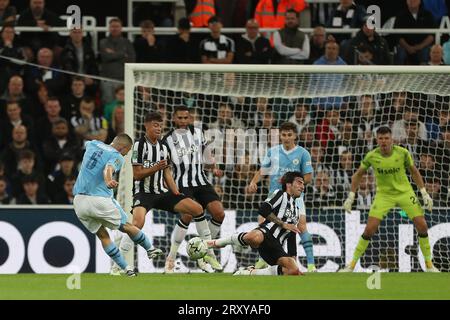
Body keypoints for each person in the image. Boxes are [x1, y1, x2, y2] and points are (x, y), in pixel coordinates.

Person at [116, 112, 218, 274]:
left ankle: (209, 254)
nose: (159, 128)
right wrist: (156, 167)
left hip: (162, 193)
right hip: (144, 193)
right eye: (155, 125)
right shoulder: (139, 145)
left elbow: (167, 173)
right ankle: (118, 265)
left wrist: (176, 192)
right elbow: (137, 174)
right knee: (137, 224)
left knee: (197, 209)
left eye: (160, 125)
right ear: (146, 126)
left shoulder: (163, 147)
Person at [342, 126, 439, 272]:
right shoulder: (372, 156)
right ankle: (351, 265)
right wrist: (351, 196)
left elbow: (414, 171)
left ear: (391, 139)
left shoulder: (402, 153)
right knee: (369, 229)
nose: (384, 141)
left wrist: (424, 193)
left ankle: (429, 265)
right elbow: (357, 175)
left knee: (422, 225)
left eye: (386, 138)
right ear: (377, 140)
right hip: (384, 195)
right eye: (380, 138)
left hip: (405, 193)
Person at [73, 133, 163, 277]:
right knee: (127, 226)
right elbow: (108, 168)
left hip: (79, 201)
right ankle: (150, 249)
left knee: (103, 235)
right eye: (127, 152)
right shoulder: (117, 156)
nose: (126, 155)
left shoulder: (93, 144)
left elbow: (86, 144)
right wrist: (109, 180)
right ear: (123, 148)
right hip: (99, 200)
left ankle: (126, 268)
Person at [162, 105, 225, 273]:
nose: (183, 121)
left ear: (190, 118)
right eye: (180, 118)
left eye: (186, 118)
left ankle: (202, 252)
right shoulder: (167, 140)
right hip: (181, 182)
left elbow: (206, 156)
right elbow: (164, 167)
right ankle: (171, 258)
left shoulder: (198, 133)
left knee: (219, 213)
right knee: (188, 214)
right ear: (174, 119)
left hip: (201, 180)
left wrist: (214, 167)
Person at [206, 171, 304, 276]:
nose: (302, 187)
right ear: (289, 184)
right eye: (299, 183)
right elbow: (263, 209)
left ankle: (250, 272)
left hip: (277, 248)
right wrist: (283, 224)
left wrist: (294, 262)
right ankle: (217, 243)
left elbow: (292, 237)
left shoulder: (297, 211)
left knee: (292, 271)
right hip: (266, 234)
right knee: (254, 237)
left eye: (303, 184)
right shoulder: (280, 194)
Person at [247, 122, 316, 272]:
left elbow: (308, 177)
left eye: (289, 135)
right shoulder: (273, 152)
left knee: (301, 226)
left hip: (294, 198)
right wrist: (253, 181)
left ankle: (311, 265)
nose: (286, 138)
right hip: (275, 196)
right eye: (284, 135)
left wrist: (291, 182)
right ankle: (262, 261)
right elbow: (263, 170)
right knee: (263, 224)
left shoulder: (303, 153)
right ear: (280, 136)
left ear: (295, 136)